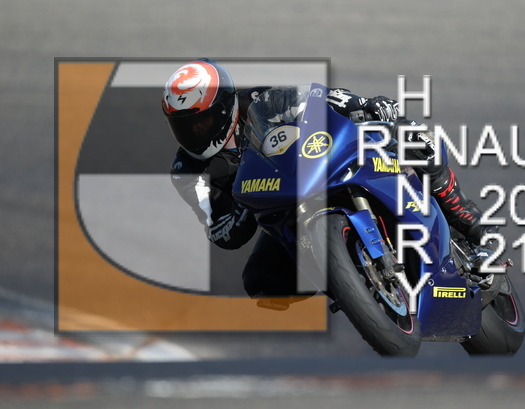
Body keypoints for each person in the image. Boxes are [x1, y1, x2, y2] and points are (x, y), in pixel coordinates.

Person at [162, 59, 495, 299]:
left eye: (200, 121)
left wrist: (365, 105)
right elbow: (220, 233)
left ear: (223, 107)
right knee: (261, 283)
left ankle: (466, 218)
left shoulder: (261, 101)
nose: (193, 132)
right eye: (182, 126)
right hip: (283, 212)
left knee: (411, 138)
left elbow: (319, 98)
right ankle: (353, 285)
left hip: (321, 170)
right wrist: (245, 202)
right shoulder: (186, 172)